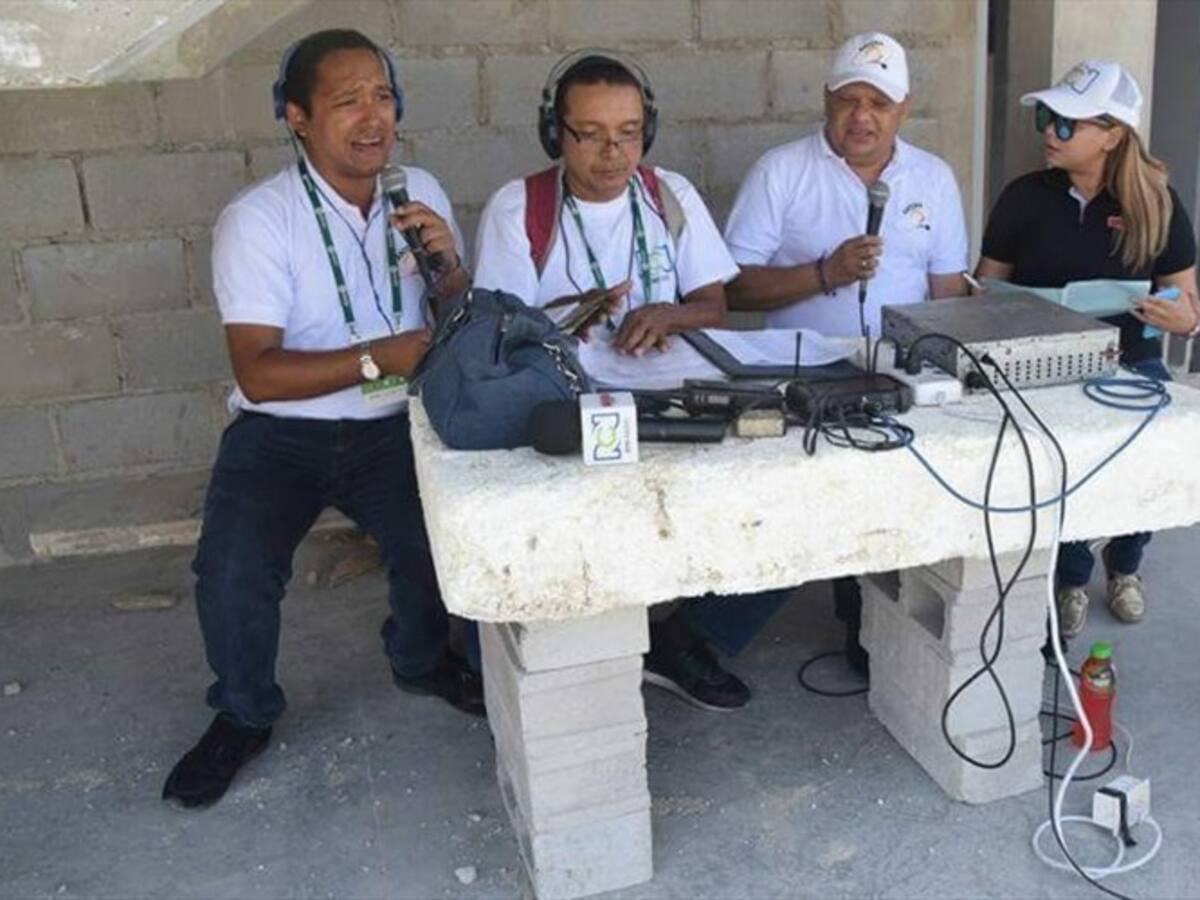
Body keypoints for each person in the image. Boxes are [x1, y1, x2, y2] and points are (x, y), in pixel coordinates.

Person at [162, 29, 478, 811]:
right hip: (283, 430)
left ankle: (417, 659)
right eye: (347, 102)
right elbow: (258, 371)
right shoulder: (259, 220)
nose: (373, 118)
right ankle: (242, 712)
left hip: (393, 425)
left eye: (382, 96)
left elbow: (461, 321)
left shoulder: (420, 192)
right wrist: (381, 358)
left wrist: (450, 273)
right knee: (232, 572)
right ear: (296, 117)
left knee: (433, 546)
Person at [473, 49, 784, 712]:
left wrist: (671, 311)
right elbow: (499, 336)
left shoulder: (668, 193)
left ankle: (691, 639)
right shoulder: (519, 208)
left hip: (670, 390)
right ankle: (579, 655)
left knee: (778, 484)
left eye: (629, 133)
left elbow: (715, 307)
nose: (613, 154)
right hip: (568, 402)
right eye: (590, 134)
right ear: (555, 132)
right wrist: (571, 317)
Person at [722, 31, 970, 673]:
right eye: (849, 99)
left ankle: (868, 634)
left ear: (903, 108)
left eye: (879, 103)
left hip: (898, 374)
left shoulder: (934, 179)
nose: (863, 116)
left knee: (898, 507)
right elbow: (731, 289)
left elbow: (947, 293)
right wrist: (825, 273)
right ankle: (703, 636)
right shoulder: (782, 171)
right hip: (801, 375)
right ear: (828, 100)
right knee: (798, 518)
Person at [976, 60, 1200, 638]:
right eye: (1048, 119)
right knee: (1066, 462)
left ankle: (1126, 565)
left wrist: (1181, 319)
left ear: (1113, 135)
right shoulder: (1024, 197)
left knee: (1142, 455)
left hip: (1133, 358)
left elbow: (1189, 306)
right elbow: (983, 288)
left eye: (1067, 123)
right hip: (1043, 361)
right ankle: (1071, 576)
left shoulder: (1159, 202)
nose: (1050, 132)